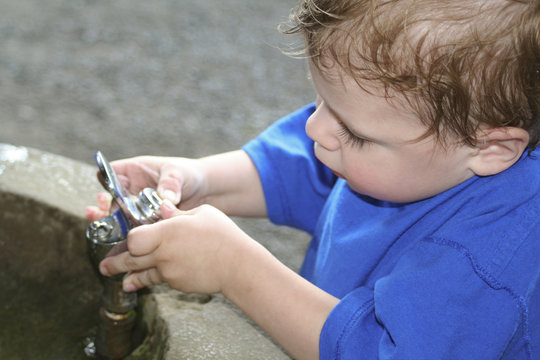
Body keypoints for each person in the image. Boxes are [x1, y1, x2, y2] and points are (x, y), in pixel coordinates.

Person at [86, 0, 540, 358]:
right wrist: (202, 180)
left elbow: (381, 351)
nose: (314, 129)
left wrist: (235, 268)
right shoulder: (412, 147)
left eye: (355, 133)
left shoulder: (487, 264)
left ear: (491, 149)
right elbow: (300, 169)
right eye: (320, 99)